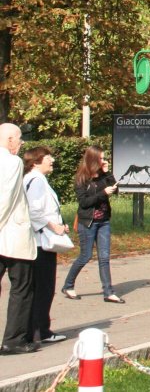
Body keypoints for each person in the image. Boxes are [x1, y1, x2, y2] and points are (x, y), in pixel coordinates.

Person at [61, 146, 124, 303]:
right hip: (87, 222)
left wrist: (108, 173)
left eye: (104, 158)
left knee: (104, 257)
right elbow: (84, 202)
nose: (104, 161)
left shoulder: (103, 175)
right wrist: (103, 193)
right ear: (93, 159)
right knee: (85, 256)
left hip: (103, 221)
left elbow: (116, 190)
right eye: (101, 158)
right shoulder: (82, 179)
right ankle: (68, 285)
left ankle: (108, 292)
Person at [23, 146, 69, 343]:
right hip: (41, 242)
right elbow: (34, 211)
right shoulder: (36, 181)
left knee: (38, 287)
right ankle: (40, 330)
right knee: (44, 287)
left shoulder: (33, 179)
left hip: (38, 241)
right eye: (47, 157)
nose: (52, 160)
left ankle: (35, 329)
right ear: (35, 162)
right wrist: (54, 226)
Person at [0, 123, 39, 355]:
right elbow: (5, 197)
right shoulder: (12, 162)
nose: (22, 142)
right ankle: (13, 340)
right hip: (13, 236)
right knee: (22, 288)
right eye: (19, 138)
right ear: (10, 140)